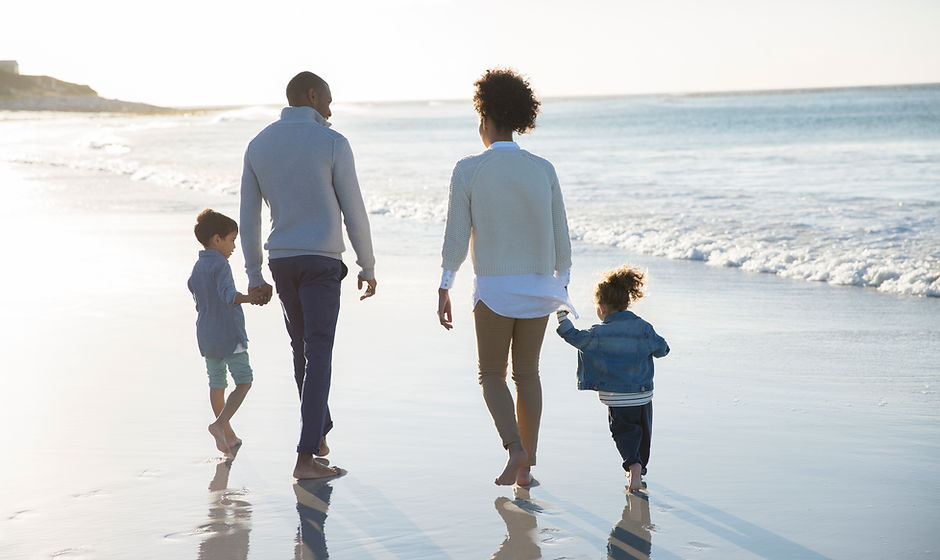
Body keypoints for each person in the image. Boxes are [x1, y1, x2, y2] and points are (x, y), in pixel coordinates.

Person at [437, 68, 574, 486]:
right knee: (527, 374)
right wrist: (561, 284)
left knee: (492, 375)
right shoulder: (543, 168)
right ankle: (526, 469)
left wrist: (446, 284)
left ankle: (514, 449)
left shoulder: (469, 169)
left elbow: (457, 235)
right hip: (540, 289)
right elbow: (561, 234)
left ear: (485, 118)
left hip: (495, 289)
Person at [240, 71, 377, 480]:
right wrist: (367, 265)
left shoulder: (259, 144)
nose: (331, 110)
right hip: (319, 263)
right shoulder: (333, 143)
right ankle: (305, 458)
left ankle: (317, 437)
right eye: (329, 100)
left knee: (302, 349)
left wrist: (253, 272)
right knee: (318, 352)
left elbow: (249, 216)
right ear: (313, 95)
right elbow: (354, 210)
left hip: (282, 262)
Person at [555, 265, 670, 491]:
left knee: (623, 432)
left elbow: (574, 337)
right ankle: (639, 467)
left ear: (602, 307)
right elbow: (662, 349)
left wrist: (561, 316)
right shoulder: (643, 328)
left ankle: (632, 466)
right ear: (626, 302)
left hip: (616, 397)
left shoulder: (597, 333)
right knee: (643, 432)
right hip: (642, 394)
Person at [188, 208, 255, 457]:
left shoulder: (198, 266)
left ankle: (227, 437)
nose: (234, 247)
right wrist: (249, 297)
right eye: (231, 240)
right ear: (217, 239)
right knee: (244, 382)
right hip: (228, 335)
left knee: (217, 383)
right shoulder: (221, 265)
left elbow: (194, 293)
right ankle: (220, 425)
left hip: (206, 334)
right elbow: (229, 296)